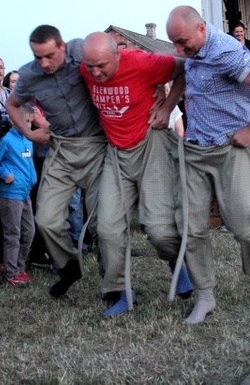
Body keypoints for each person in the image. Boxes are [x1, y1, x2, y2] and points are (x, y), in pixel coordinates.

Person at [163, 5, 250, 325]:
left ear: (201, 29)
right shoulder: (192, 50)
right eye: (174, 43)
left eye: (182, 42)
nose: (179, 50)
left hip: (231, 148)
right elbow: (182, 72)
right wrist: (166, 107)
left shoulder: (226, 52)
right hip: (195, 148)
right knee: (189, 224)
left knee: (242, 222)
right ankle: (205, 295)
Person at [79, 31, 192, 316]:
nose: (95, 72)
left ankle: (177, 265)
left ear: (118, 53)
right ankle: (122, 291)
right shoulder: (85, 68)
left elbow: (187, 66)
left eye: (102, 66)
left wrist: (167, 106)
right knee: (106, 228)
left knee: (159, 230)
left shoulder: (143, 63)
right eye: (90, 66)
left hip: (150, 143)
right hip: (116, 152)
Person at [5, 25, 107, 299]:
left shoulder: (79, 52)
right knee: (46, 219)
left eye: (49, 55)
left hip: (97, 146)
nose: (44, 63)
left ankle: (114, 283)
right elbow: (12, 104)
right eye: (38, 57)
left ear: (62, 46)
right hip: (61, 149)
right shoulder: (29, 74)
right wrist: (28, 133)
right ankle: (68, 266)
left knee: (104, 224)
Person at [0, 103, 37, 286]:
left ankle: (19, 267)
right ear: (12, 120)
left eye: (30, 121)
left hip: (25, 192)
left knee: (29, 232)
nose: (27, 125)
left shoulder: (28, 140)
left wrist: (32, 179)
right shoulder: (6, 141)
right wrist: (5, 174)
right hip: (11, 194)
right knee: (13, 233)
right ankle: (11, 273)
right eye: (24, 121)